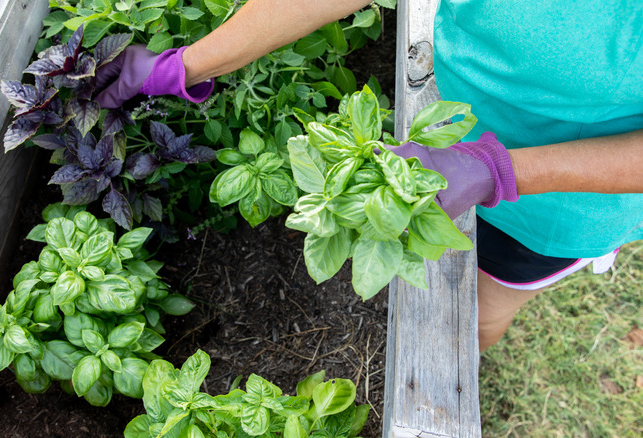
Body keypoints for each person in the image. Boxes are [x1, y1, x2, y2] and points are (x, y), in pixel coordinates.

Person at [94, 0, 643, 351]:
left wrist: (498, 168)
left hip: (563, 201)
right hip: (448, 130)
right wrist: (185, 64)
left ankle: (468, 361)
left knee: (479, 313)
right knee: (430, 268)